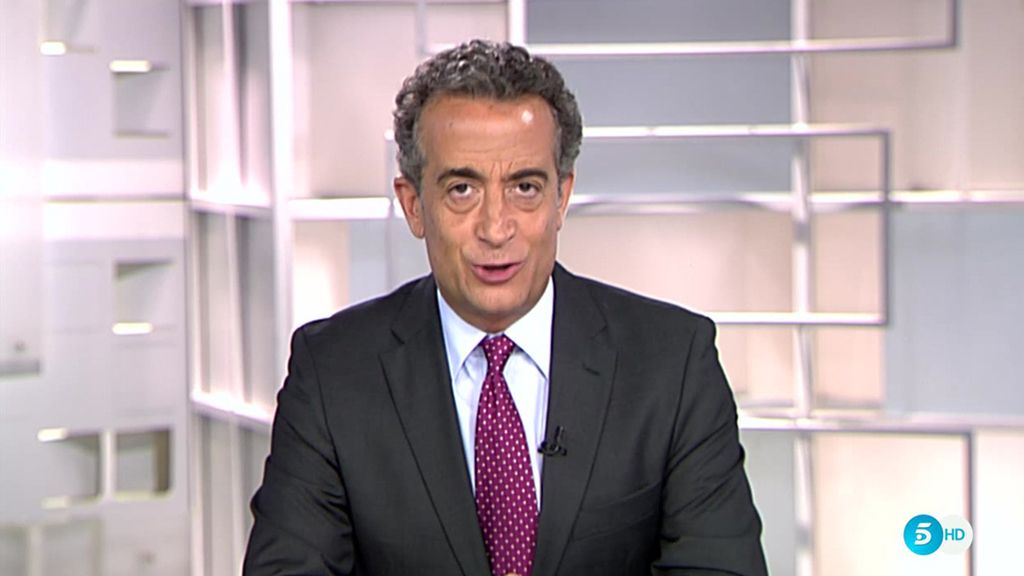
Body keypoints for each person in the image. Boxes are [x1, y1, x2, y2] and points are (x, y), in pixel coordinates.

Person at [243, 39, 768, 576]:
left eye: (525, 187)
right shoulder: (333, 373)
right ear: (413, 205)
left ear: (561, 197)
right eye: (462, 189)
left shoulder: (672, 365)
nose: (496, 228)